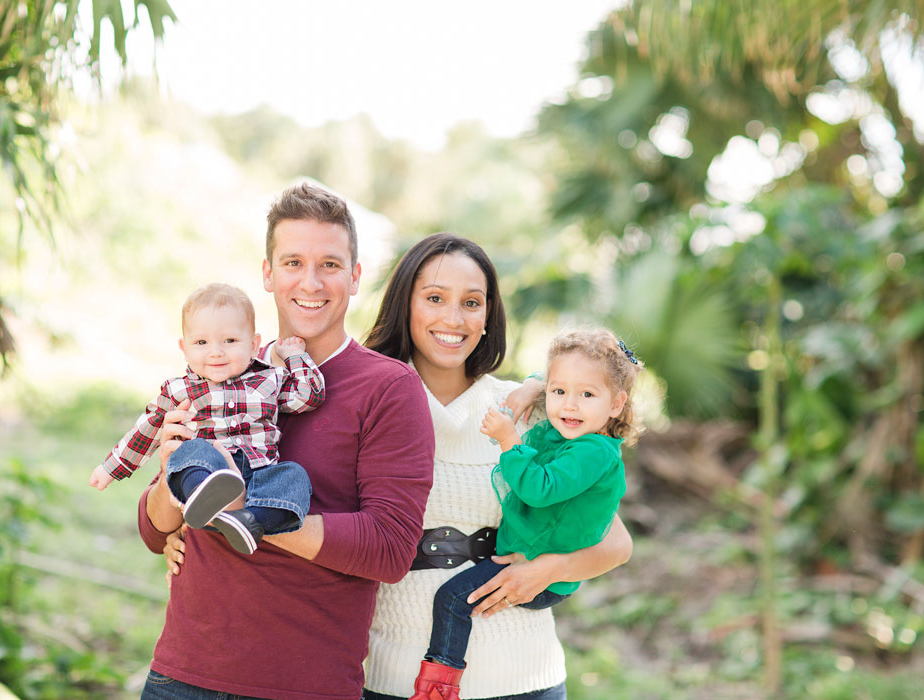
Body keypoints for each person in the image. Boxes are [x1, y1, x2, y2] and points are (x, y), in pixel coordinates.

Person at [138, 183, 435, 699]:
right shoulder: (218, 369)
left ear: (355, 276)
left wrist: (237, 515)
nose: (311, 282)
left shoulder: (388, 388)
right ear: (268, 273)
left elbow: (389, 549)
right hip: (182, 675)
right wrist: (176, 484)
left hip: (305, 685)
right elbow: (152, 528)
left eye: (331, 264)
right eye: (293, 262)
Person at [358, 233, 632, 700]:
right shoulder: (369, 401)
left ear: (488, 316)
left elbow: (617, 542)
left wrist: (547, 572)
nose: (453, 317)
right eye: (435, 298)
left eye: (471, 302)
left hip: (522, 676)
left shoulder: (528, 412)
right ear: (406, 304)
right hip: (394, 677)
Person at [406, 327, 643, 699]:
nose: (569, 405)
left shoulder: (592, 452)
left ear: (616, 404)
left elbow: (539, 487)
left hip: (541, 575)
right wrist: (535, 384)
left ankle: (437, 687)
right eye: (559, 392)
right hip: (529, 556)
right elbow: (556, 382)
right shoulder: (570, 433)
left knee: (452, 600)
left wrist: (508, 440)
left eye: (587, 395)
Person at [90, 283, 325, 554]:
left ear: (254, 344)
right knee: (190, 451)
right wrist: (111, 468)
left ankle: (250, 522)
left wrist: (296, 357)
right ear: (184, 347)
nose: (216, 352)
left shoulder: (269, 380)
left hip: (258, 475)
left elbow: (309, 396)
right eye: (201, 343)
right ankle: (205, 494)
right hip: (207, 468)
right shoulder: (180, 390)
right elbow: (146, 431)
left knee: (294, 477)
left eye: (230, 341)